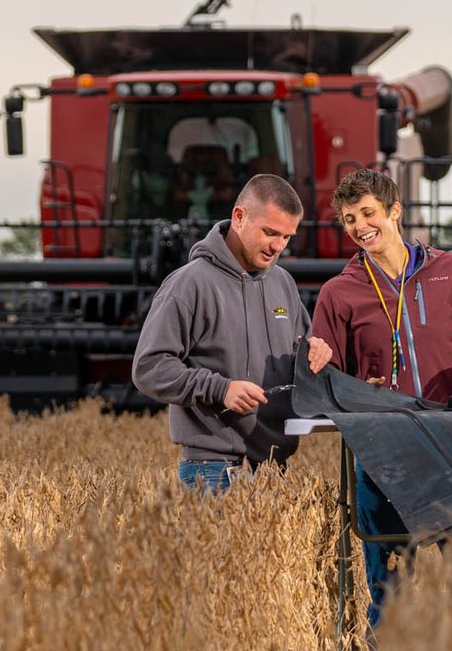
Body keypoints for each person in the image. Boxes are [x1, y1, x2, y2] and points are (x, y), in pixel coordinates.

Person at [311, 166, 452, 623]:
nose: (359, 227)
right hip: (381, 451)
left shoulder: (450, 270)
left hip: (450, 445)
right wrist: (357, 389)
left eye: (368, 213)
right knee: (388, 583)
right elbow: (327, 379)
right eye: (348, 219)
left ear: (395, 211)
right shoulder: (337, 294)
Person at [132, 173, 332, 492]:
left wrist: (314, 353)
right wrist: (220, 389)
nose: (277, 247)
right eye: (270, 232)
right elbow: (148, 367)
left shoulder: (283, 283)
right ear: (239, 217)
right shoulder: (190, 284)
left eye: (286, 237)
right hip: (213, 471)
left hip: (274, 472)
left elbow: (298, 360)